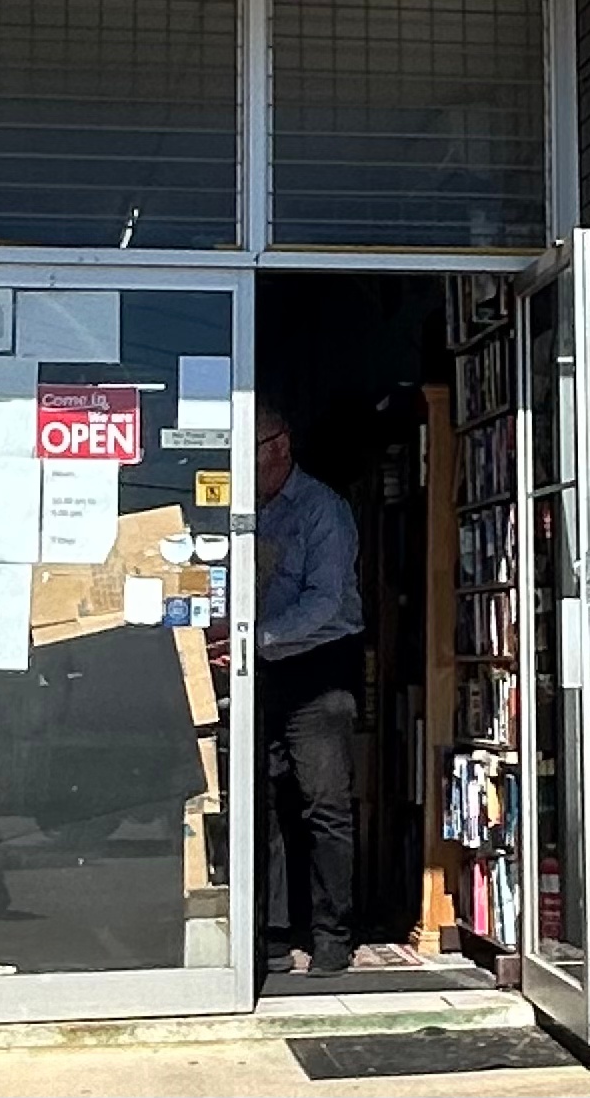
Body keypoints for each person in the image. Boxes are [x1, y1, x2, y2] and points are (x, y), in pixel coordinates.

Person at [253, 399, 364, 976]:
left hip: (319, 667)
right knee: (262, 801)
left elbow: (324, 602)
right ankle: (270, 930)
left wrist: (258, 636)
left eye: (250, 453)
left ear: (279, 447)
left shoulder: (324, 510)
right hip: (262, 666)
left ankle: (332, 934)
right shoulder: (247, 509)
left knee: (324, 802)